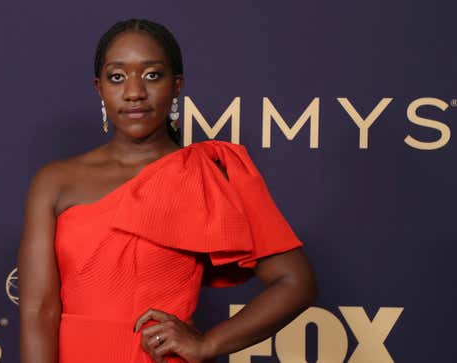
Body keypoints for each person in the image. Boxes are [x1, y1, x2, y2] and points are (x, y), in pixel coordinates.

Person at [17, 18, 317, 363]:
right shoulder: (55, 180)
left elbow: (296, 282)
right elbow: (39, 311)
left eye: (151, 75)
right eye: (117, 77)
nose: (134, 92)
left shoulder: (206, 173)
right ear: (99, 88)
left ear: (177, 86)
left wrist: (208, 344)